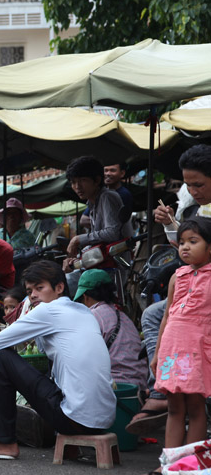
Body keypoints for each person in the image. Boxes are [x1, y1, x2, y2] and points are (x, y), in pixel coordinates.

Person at [0, 260, 115, 460]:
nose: (33, 295)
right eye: (29, 291)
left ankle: (4, 442)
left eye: (39, 288)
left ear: (59, 288)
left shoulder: (49, 310)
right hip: (104, 420)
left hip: (74, 418)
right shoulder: (84, 312)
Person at [130, 145, 211, 434]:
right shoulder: (196, 208)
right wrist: (172, 225)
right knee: (156, 314)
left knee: (153, 315)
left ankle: (160, 391)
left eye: (198, 184)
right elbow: (188, 246)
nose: (193, 190)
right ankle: (164, 386)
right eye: (188, 184)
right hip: (193, 286)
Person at [152, 218, 211, 451]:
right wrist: (157, 354)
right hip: (172, 349)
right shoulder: (178, 276)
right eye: (182, 242)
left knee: (196, 407)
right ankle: (169, 463)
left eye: (193, 241)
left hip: (198, 350)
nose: (185, 247)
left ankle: (190, 464)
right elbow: (166, 317)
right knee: (174, 407)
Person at [74, 269, 148, 389]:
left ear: (85, 296)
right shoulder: (123, 316)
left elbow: (82, 358)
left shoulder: (91, 317)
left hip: (116, 386)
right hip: (140, 383)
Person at [65, 156, 132, 260]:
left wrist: (78, 239)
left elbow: (112, 233)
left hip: (116, 264)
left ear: (97, 180)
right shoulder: (93, 203)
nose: (77, 186)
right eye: (73, 182)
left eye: (82, 180)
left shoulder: (107, 197)